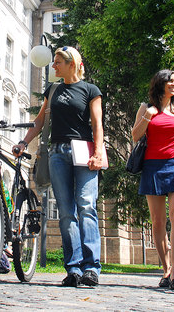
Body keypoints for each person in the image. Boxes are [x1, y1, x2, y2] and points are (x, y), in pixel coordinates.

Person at [13, 46, 104, 288]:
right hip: (57, 153)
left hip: (84, 152)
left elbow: (97, 124)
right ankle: (73, 268)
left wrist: (98, 152)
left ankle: (91, 268)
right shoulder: (53, 90)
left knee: (86, 206)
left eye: (57, 62)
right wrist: (24, 142)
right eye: (53, 62)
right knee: (66, 212)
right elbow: (41, 120)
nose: (53, 66)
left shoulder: (90, 90)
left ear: (71, 63)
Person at [132, 69, 174, 290]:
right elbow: (135, 135)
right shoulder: (146, 109)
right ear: (160, 84)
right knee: (158, 221)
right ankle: (166, 269)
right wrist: (148, 117)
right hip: (153, 165)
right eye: (170, 81)